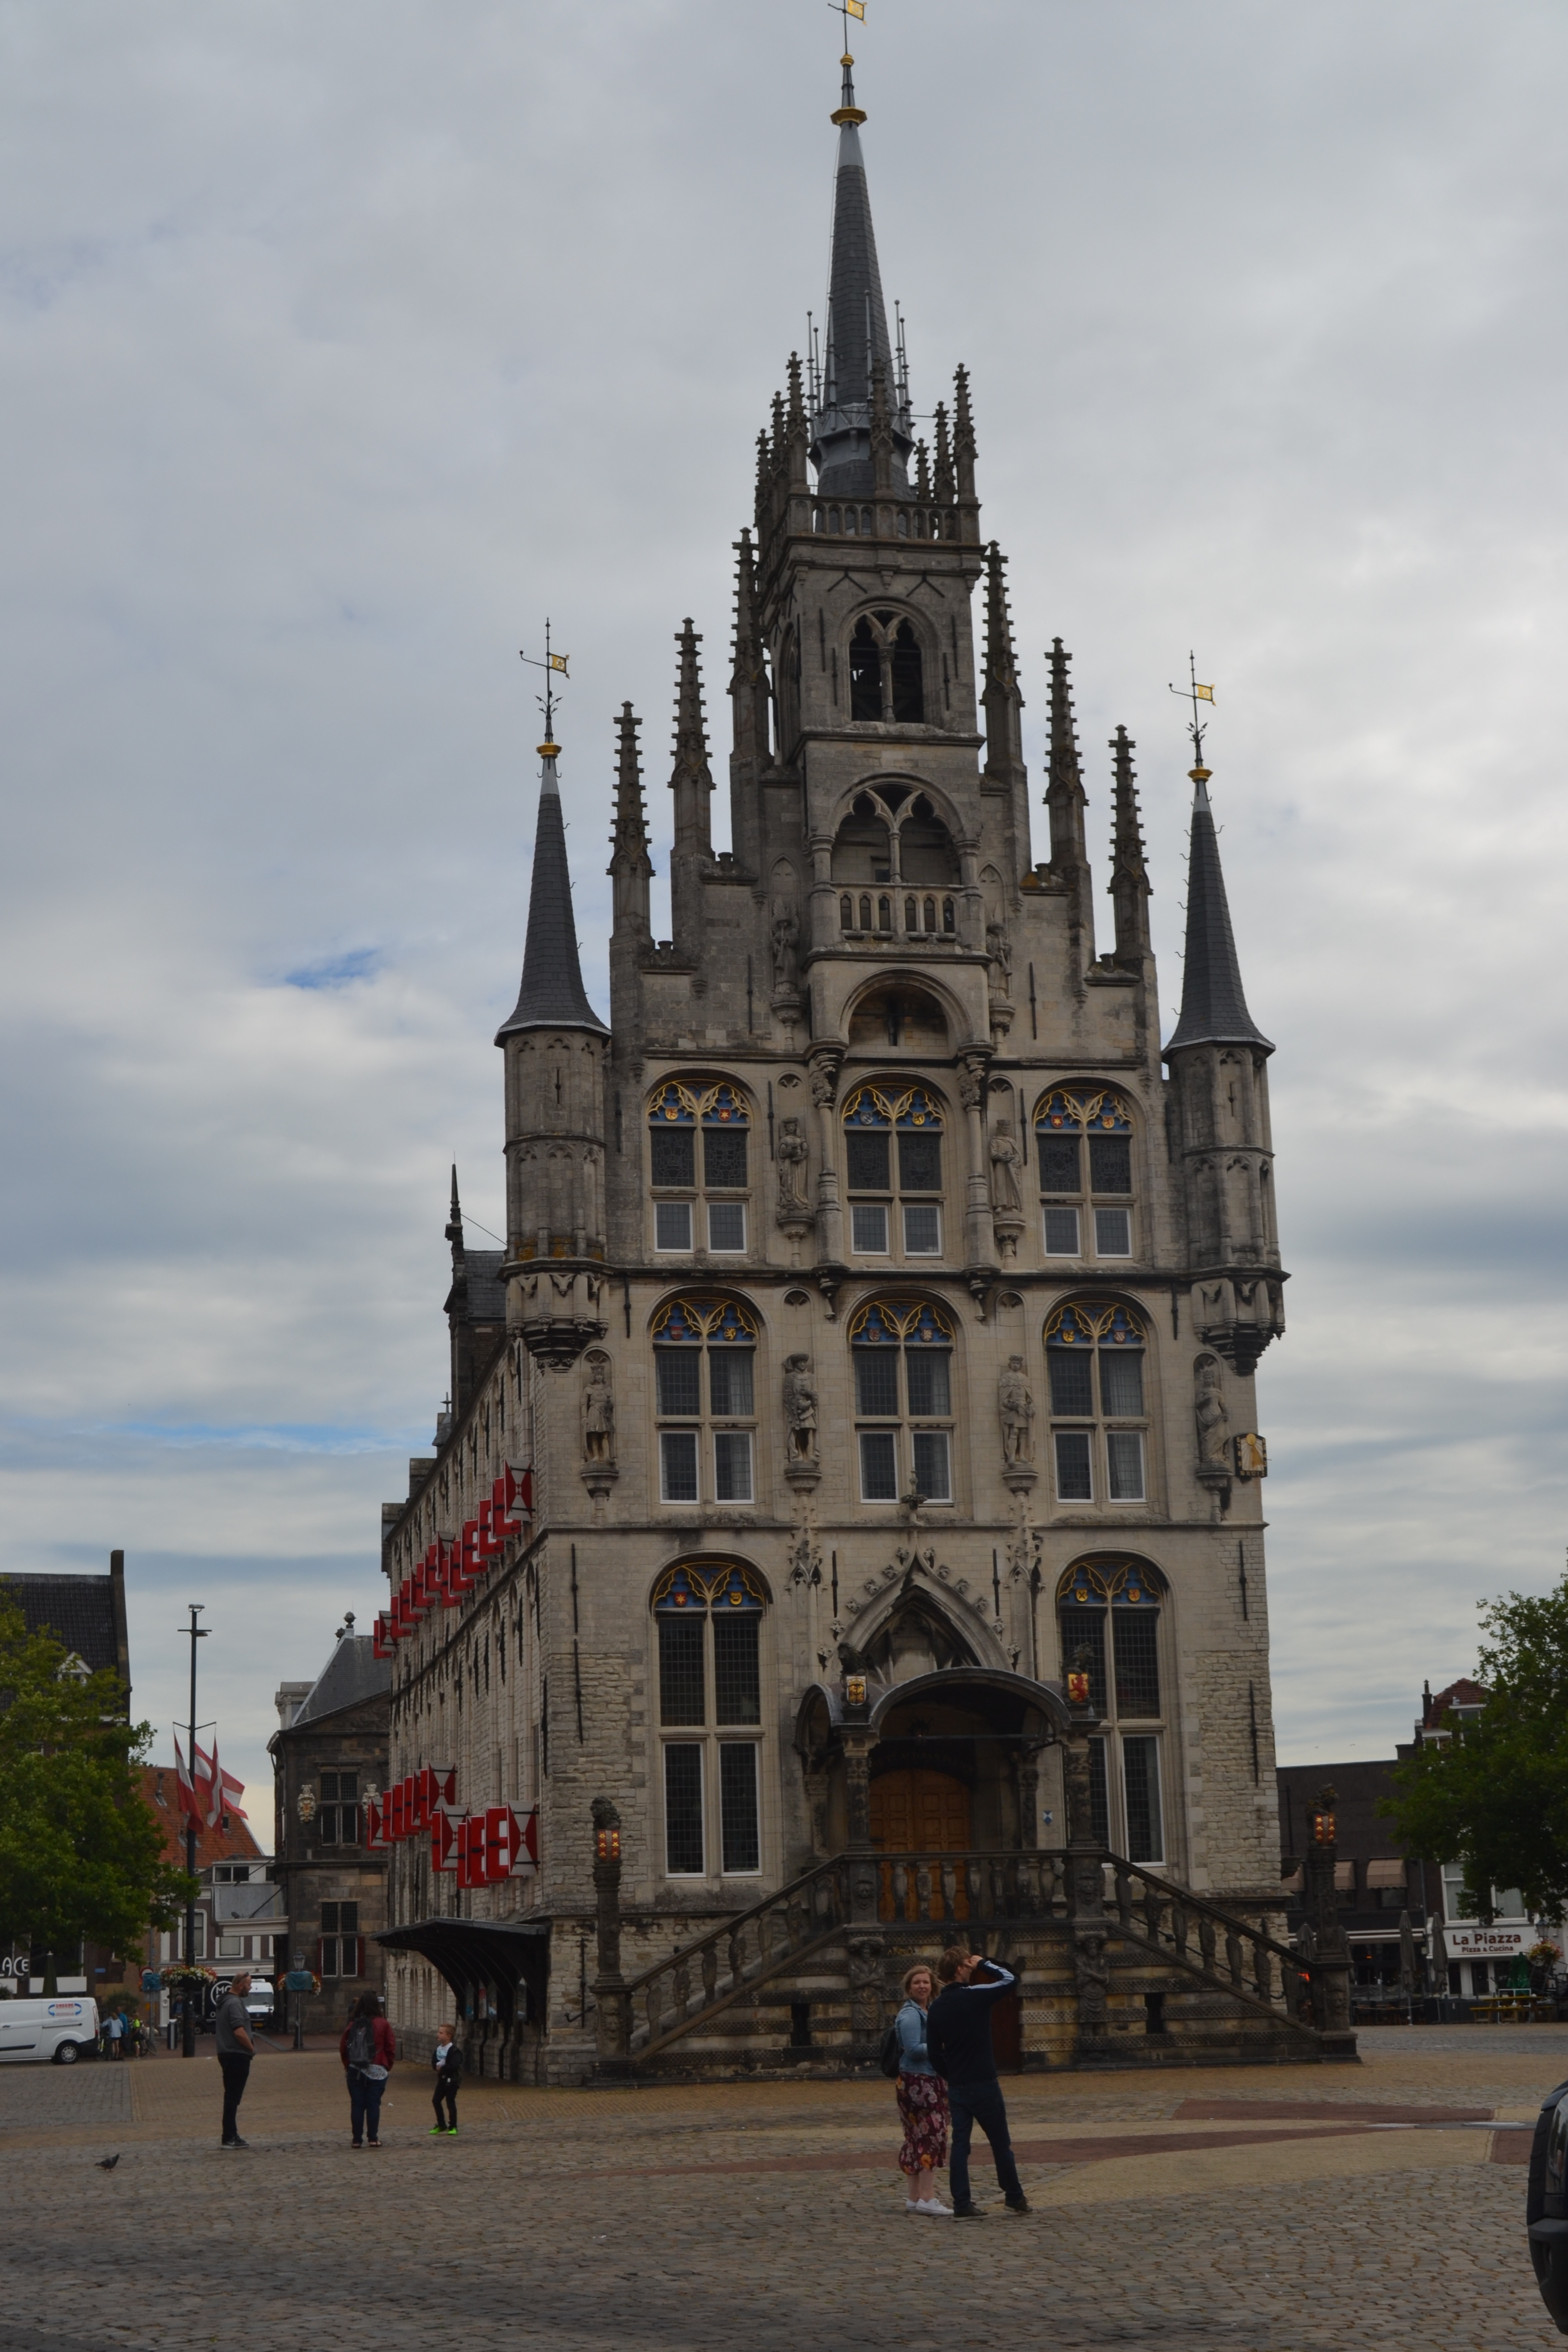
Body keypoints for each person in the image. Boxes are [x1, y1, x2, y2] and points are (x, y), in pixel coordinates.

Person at [924, 1948, 1030, 2218]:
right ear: (959, 1969)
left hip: (958, 2084)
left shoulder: (936, 2007)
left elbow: (934, 2054)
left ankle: (962, 2202)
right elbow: (1010, 1979)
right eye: (967, 1965)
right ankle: (1014, 2195)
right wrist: (984, 1963)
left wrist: (951, 2075)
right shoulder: (974, 1995)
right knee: (1000, 2143)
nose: (971, 1969)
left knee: (961, 2146)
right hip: (983, 2081)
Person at [893, 1964, 950, 2216]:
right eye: (917, 1982)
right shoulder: (910, 2015)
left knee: (917, 2136)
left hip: (925, 2078)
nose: (922, 1986)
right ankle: (927, 2197)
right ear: (909, 1987)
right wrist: (943, 2046)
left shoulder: (926, 2010)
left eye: (926, 1982)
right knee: (932, 2134)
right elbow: (914, 2049)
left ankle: (915, 2197)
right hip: (918, 2081)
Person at [339, 1992, 396, 2148]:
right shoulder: (383, 2024)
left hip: (355, 2069)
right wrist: (387, 2065)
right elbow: (391, 2046)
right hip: (377, 2068)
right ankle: (373, 2138)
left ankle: (357, 2140)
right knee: (373, 2104)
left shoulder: (353, 2024)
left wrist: (348, 2064)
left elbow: (344, 2046)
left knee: (357, 2105)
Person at [214, 1971, 256, 2149]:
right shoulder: (235, 2003)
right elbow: (239, 2031)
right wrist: (251, 2049)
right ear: (240, 1985)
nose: (250, 1988)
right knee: (233, 2097)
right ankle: (230, 2137)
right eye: (248, 1984)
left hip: (225, 2053)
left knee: (230, 2096)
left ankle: (229, 2135)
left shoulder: (223, 2002)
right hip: (237, 2055)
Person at [430, 2024, 461, 2136]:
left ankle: (453, 2126)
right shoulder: (438, 2050)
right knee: (436, 2100)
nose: (438, 2035)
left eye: (441, 2033)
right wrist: (436, 2067)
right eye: (439, 2032)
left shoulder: (454, 2051)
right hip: (442, 2080)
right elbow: (434, 2061)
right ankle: (441, 2124)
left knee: (450, 2102)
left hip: (452, 2080)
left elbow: (454, 2064)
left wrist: (442, 2068)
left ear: (448, 2036)